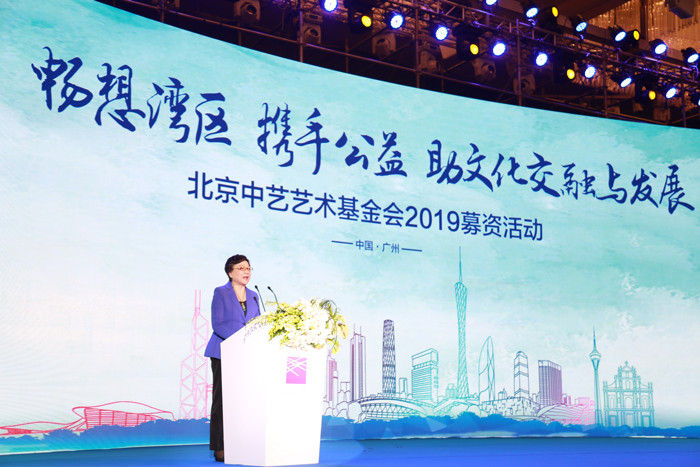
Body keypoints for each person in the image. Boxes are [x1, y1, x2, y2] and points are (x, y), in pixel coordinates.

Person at [204, 254, 261, 463]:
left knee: (243, 400)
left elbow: (257, 324)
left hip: (246, 354)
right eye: (241, 268)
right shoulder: (221, 292)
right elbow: (217, 324)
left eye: (249, 268)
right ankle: (220, 447)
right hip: (223, 352)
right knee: (222, 400)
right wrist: (239, 341)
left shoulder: (254, 295)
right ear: (230, 272)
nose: (246, 271)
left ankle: (241, 443)